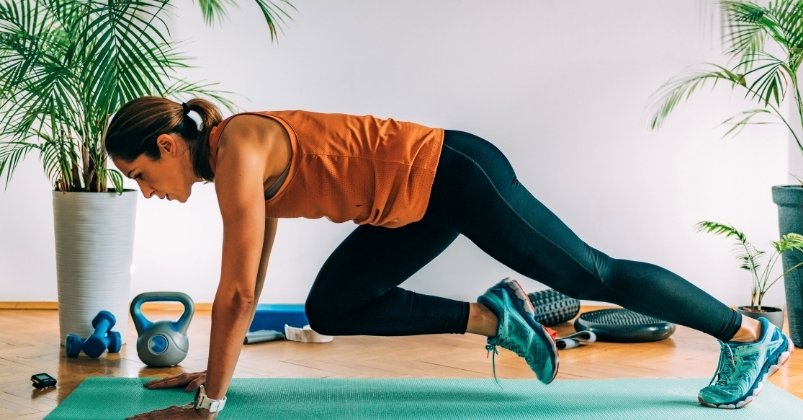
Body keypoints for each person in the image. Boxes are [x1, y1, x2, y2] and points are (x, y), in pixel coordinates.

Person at [104, 96, 792, 419]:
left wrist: (210, 405)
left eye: (137, 174)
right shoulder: (232, 154)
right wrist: (212, 374)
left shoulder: (236, 148)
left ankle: (751, 335)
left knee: (590, 273)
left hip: (454, 173)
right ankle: (500, 319)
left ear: (167, 146)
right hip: (412, 203)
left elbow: (233, 297)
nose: (146, 191)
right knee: (333, 305)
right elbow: (248, 277)